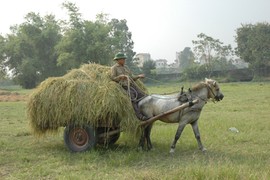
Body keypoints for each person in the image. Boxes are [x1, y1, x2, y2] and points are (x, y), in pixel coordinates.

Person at [111, 52, 149, 121]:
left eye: (124, 59)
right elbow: (113, 78)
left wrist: (138, 76)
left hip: (131, 85)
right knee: (133, 98)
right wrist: (120, 77)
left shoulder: (126, 67)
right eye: (123, 59)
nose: (124, 60)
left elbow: (132, 78)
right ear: (118, 60)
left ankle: (147, 112)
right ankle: (139, 116)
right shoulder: (114, 68)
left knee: (143, 95)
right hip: (123, 86)